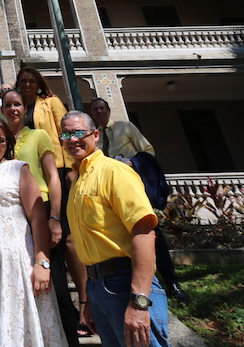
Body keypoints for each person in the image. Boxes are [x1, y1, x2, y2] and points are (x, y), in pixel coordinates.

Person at [62, 110, 169, 347]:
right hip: (97, 286)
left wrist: (139, 300)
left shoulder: (114, 171)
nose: (72, 139)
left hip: (126, 283)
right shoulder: (78, 181)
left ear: (96, 135)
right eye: (66, 134)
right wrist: (90, 298)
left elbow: (143, 232)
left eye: (79, 132)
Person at [0, 117, 66, 347]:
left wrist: (42, 261)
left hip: (18, 259)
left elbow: (38, 217)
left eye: (1, 140)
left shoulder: (17, 169)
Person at [2, 89, 80, 347]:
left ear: (25, 109)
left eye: (17, 104)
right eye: (8, 105)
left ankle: (68, 339)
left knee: (55, 282)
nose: (13, 109)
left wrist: (55, 217)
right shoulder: (0, 141)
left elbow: (53, 177)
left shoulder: (38, 135)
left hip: (42, 208)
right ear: (2, 110)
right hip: (13, 215)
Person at [88, 98, 185, 303]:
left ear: (108, 109)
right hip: (110, 190)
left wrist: (132, 162)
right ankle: (137, 282)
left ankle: (172, 282)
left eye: (102, 108)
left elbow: (148, 151)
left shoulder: (125, 127)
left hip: (132, 185)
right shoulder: (95, 137)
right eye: (95, 110)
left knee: (149, 231)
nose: (99, 112)